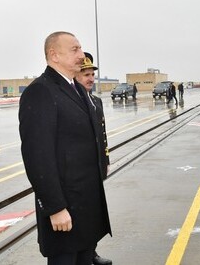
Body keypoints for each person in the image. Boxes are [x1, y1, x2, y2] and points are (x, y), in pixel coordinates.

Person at [19, 31, 111, 265]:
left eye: (80, 48)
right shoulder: (41, 91)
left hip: (85, 206)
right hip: (65, 209)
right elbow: (37, 156)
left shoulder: (78, 89)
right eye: (75, 50)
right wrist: (55, 207)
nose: (81, 55)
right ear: (54, 55)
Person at [75, 52, 112, 265]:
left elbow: (102, 135)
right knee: (83, 214)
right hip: (82, 169)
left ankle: (91, 252)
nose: (90, 79)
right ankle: (84, 254)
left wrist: (105, 160)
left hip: (96, 166)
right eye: (85, 74)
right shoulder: (76, 100)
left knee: (94, 212)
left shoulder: (96, 100)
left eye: (92, 74)